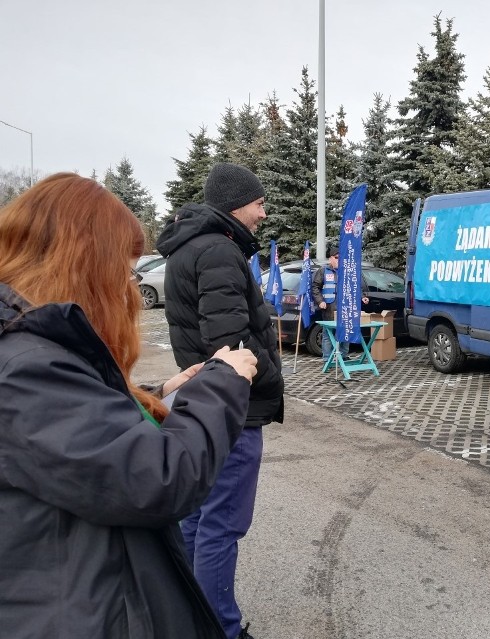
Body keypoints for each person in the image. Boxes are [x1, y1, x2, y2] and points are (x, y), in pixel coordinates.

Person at [0, 173, 258, 638]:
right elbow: (157, 480)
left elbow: (84, 428)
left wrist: (156, 394)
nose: (130, 280)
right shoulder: (24, 367)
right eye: (124, 261)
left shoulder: (31, 352)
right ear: (83, 259)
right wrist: (224, 380)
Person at [156, 162, 284, 639]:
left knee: (197, 518)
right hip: (232, 406)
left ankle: (189, 616)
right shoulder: (217, 251)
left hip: (201, 401)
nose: (263, 213)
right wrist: (270, 377)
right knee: (221, 526)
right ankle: (221, 629)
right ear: (236, 205)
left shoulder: (194, 247)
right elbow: (230, 341)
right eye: (258, 203)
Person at [311, 243, 369, 362]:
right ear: (330, 259)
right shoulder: (323, 271)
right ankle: (327, 358)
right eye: (336, 258)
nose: (339, 260)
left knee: (345, 331)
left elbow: (355, 286)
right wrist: (320, 301)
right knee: (328, 333)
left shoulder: (347, 271)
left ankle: (343, 355)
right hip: (329, 307)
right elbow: (315, 287)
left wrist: (362, 296)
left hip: (345, 307)